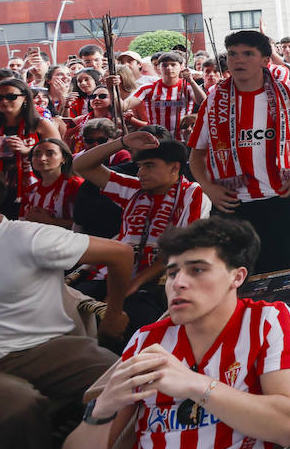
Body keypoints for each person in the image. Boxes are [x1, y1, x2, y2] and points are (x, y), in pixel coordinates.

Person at [59, 217, 290, 449]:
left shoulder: (265, 321)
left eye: (197, 270)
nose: (179, 283)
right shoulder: (146, 341)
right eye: (173, 273)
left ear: (236, 277)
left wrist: (194, 385)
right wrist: (103, 407)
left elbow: (288, 425)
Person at [0, 161, 133, 449]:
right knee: (16, 409)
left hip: (48, 348)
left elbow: (120, 253)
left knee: (122, 378)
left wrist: (114, 313)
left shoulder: (28, 237)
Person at [188, 30, 290, 275]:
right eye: (232, 54)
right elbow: (195, 157)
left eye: (247, 54)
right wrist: (209, 189)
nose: (238, 60)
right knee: (236, 279)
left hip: (277, 203)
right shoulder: (213, 100)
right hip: (230, 207)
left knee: (279, 277)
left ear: (264, 60)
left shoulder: (288, 94)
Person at [74, 131, 212, 338]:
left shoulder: (193, 193)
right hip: (109, 277)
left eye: (149, 166)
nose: (140, 173)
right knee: (70, 307)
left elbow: (181, 250)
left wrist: (128, 288)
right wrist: (121, 142)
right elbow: (82, 166)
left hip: (154, 284)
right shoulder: (133, 189)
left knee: (137, 320)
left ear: (174, 167)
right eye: (139, 167)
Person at [0, 75, 58, 217]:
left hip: (36, 188)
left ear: (24, 98)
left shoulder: (40, 124)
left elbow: (60, 153)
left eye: (11, 96)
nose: (4, 101)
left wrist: (27, 151)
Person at [122, 51, 204, 137]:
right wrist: (112, 89)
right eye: (165, 65)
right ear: (158, 67)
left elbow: (203, 102)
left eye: (173, 65)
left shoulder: (188, 87)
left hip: (183, 139)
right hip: (157, 139)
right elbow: (124, 106)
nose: (169, 68)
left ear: (181, 67)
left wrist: (191, 81)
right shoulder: (148, 88)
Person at [20, 137, 83, 230]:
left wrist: (50, 221)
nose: (42, 158)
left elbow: (89, 224)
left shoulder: (76, 185)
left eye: (50, 154)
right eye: (36, 154)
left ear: (64, 158)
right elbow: (22, 221)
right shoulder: (29, 190)